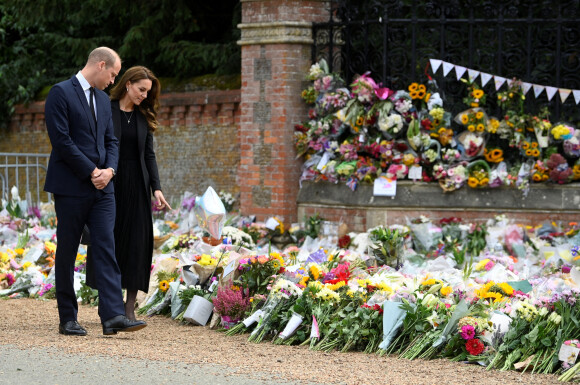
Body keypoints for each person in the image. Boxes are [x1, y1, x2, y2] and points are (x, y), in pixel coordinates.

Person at [44, 47, 147, 336]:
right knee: (68, 250)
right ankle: (68, 318)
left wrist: (110, 171)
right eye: (113, 74)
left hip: (104, 188)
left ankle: (113, 315)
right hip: (71, 186)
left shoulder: (103, 99)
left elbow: (111, 141)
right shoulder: (60, 93)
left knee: (106, 247)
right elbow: (61, 141)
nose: (113, 81)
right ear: (101, 65)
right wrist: (92, 172)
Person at [107, 66, 171, 320]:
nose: (144, 95)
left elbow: (149, 154)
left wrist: (157, 187)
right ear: (127, 84)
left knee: (137, 243)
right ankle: (109, 303)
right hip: (110, 186)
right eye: (141, 89)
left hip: (139, 187)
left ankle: (129, 307)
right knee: (110, 242)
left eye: (148, 91)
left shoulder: (144, 116)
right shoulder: (106, 109)